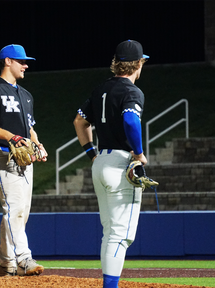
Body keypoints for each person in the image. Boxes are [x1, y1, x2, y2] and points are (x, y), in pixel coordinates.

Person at [73, 39, 149, 288]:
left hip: (101, 161)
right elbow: (130, 121)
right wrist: (138, 153)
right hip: (121, 164)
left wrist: (91, 153)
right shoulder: (132, 91)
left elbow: (79, 122)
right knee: (121, 235)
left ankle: (109, 284)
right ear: (138, 64)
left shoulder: (100, 89)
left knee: (110, 231)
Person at [0, 44, 48, 277]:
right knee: (14, 209)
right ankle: (24, 258)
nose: (26, 65)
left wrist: (38, 145)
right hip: (1, 155)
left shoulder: (26, 95)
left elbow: (30, 128)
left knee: (20, 212)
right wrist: (10, 137)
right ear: (7, 61)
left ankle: (7, 263)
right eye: (21, 61)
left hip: (25, 160)